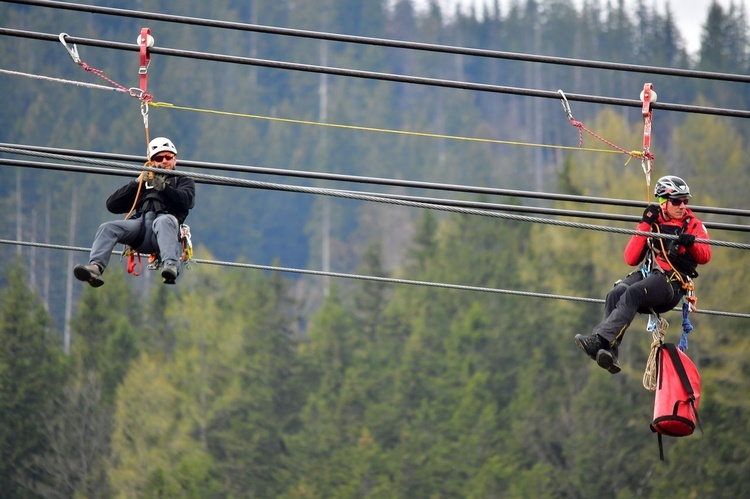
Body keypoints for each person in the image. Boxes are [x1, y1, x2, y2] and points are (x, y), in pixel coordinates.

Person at [575, 175, 711, 374]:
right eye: (676, 201)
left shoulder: (693, 224)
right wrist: (645, 224)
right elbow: (630, 258)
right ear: (663, 202)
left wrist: (691, 243)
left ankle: (600, 341)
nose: (682, 206)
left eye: (685, 201)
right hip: (649, 274)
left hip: (670, 283)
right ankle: (610, 352)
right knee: (616, 293)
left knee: (633, 294)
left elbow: (706, 255)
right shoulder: (653, 222)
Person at [74, 137, 196, 287]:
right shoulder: (143, 185)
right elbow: (112, 205)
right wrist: (136, 183)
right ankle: (96, 268)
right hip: (140, 230)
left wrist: (164, 188)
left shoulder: (183, 181)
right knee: (107, 227)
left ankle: (171, 265)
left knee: (163, 221)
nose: (164, 161)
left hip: (165, 231)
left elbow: (187, 201)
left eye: (168, 157)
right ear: (151, 162)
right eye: (159, 158)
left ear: (175, 160)